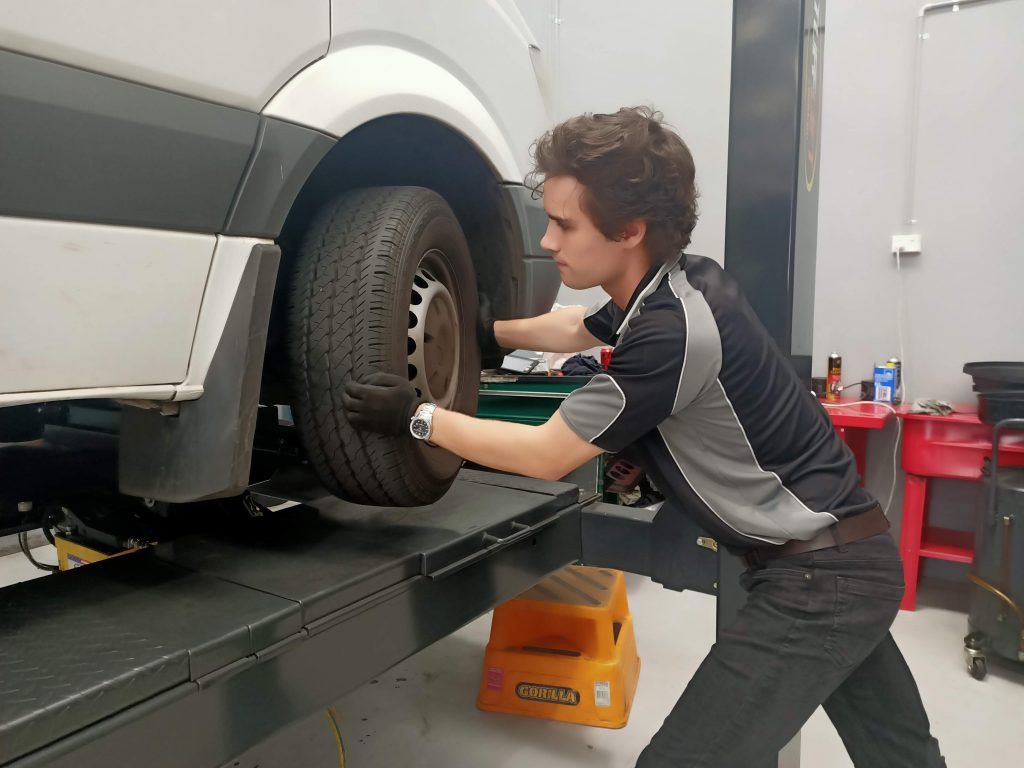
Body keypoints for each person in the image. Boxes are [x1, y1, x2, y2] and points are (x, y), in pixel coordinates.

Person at [342, 106, 945, 767]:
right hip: (849, 557)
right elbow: (577, 330)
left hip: (819, 579)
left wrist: (417, 416)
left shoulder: (668, 334)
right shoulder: (683, 284)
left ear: (628, 230)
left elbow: (546, 455)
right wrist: (487, 332)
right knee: (901, 755)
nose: (547, 240)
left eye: (564, 224)